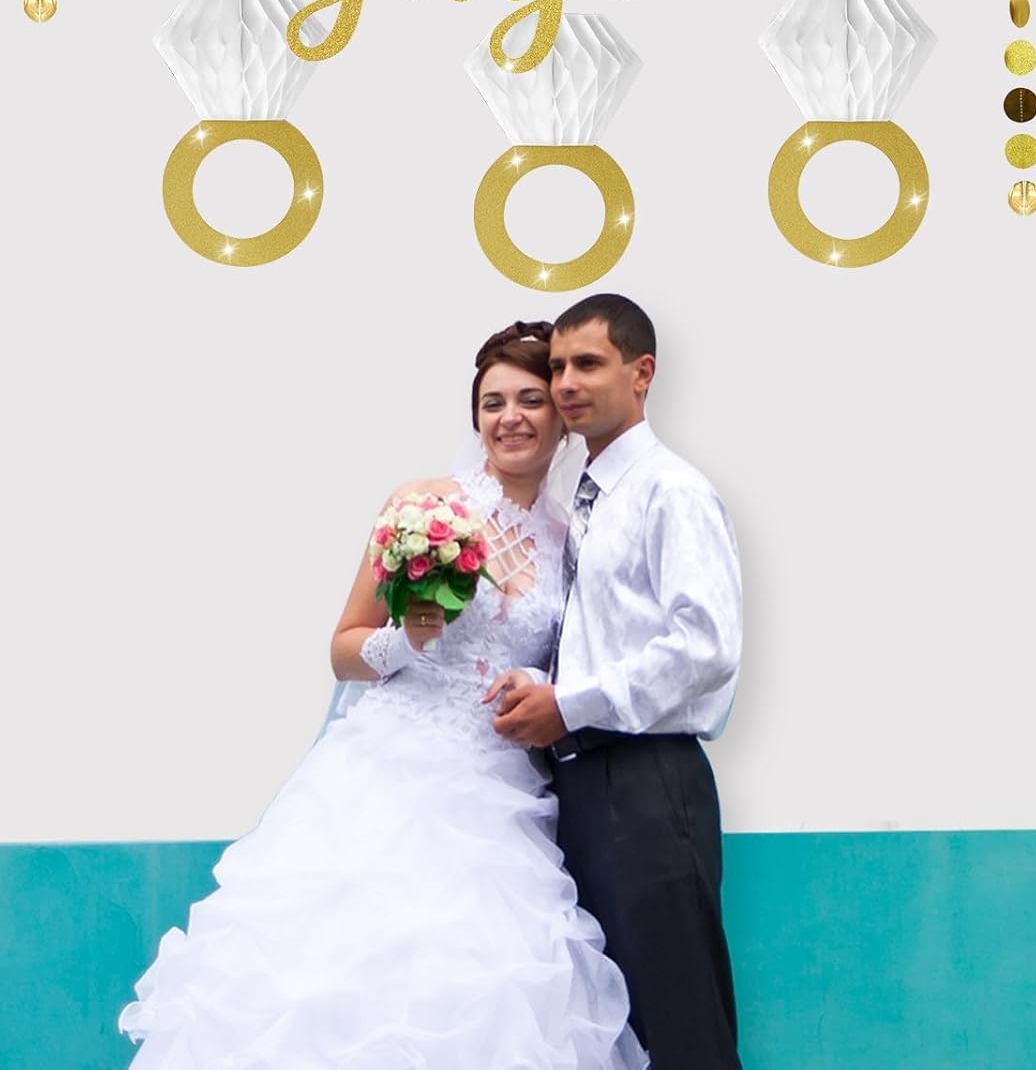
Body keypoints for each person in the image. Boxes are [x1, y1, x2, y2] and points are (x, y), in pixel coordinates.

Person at [118, 320, 648, 1069]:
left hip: (500, 788)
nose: (511, 418)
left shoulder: (572, 539)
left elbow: (577, 659)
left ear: (560, 417)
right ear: (475, 418)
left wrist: (539, 683)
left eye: (531, 400)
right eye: (493, 403)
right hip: (391, 768)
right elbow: (343, 648)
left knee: (488, 978)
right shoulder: (424, 506)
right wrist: (406, 640)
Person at [488, 294, 744, 1069]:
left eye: (589, 364)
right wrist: (540, 684)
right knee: (615, 1029)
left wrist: (568, 705)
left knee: (680, 1021)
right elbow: (608, 633)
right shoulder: (592, 498)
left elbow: (705, 645)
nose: (567, 382)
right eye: (559, 366)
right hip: (583, 783)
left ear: (642, 373)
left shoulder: (670, 491)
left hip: (645, 782)